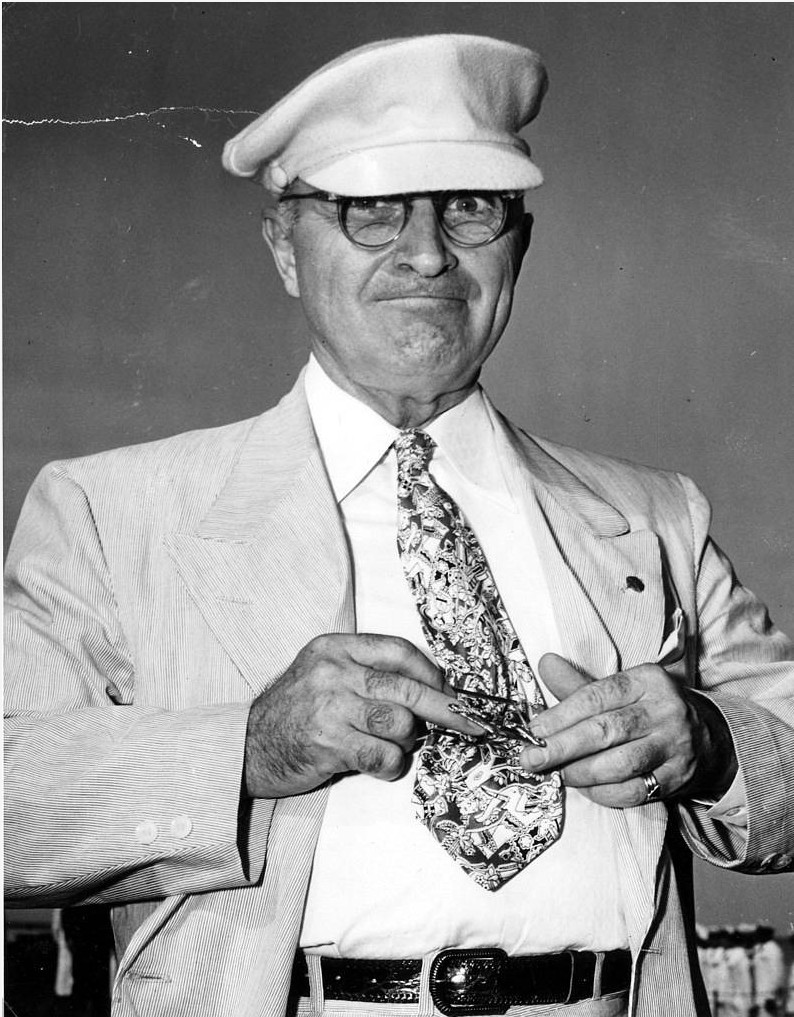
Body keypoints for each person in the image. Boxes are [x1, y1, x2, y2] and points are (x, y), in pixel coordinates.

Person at [5, 33, 794, 1017]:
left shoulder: (654, 515)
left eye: (469, 206)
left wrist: (711, 741)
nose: (425, 253)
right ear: (284, 247)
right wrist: (244, 747)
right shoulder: (111, 511)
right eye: (370, 209)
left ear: (519, 242)